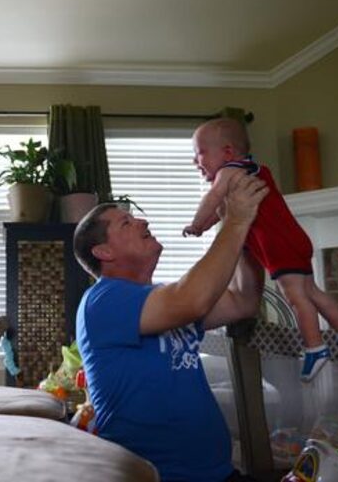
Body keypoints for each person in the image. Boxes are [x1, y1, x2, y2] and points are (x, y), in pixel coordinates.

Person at [74, 171, 268, 482]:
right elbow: (192, 300)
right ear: (104, 252)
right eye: (127, 223)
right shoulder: (103, 300)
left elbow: (243, 300)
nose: (142, 222)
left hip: (218, 473)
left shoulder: (159, 300)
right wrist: (234, 222)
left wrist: (244, 231)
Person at [182, 117, 338, 382]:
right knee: (312, 292)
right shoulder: (250, 170)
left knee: (296, 298)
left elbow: (212, 200)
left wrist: (196, 224)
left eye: (200, 154)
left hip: (277, 245)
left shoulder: (228, 173)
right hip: (295, 238)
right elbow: (222, 213)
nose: (195, 162)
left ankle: (315, 349)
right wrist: (206, 226)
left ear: (228, 152)